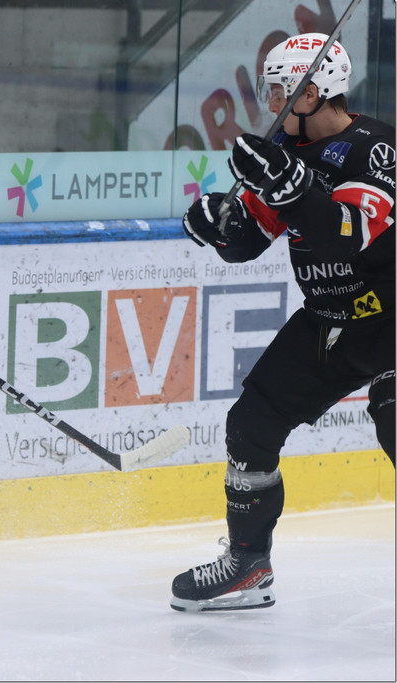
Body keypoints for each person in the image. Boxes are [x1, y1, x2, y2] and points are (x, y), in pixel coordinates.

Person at [175, 33, 395, 612]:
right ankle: (248, 565)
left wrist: (290, 187)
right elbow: (250, 241)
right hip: (331, 320)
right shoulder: (286, 154)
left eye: (279, 90)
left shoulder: (376, 148)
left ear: (312, 92)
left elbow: (350, 233)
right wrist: (220, 227)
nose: (270, 102)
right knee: (251, 424)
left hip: (392, 318)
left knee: (394, 418)